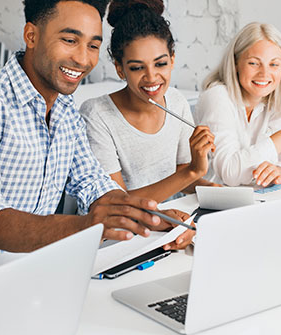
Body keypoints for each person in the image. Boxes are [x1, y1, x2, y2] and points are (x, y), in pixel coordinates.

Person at [0, 0, 191, 266]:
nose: (82, 59)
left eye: (93, 45)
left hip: (37, 272)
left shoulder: (65, 108)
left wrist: (151, 218)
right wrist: (86, 226)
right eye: (70, 40)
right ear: (31, 36)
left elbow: (93, 184)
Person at [79, 0, 217, 204]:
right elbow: (116, 203)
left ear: (172, 59)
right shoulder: (96, 115)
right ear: (119, 68)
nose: (151, 77)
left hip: (171, 220)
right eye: (137, 67)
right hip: (122, 230)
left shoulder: (176, 101)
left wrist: (215, 189)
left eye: (160, 63)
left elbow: (179, 177)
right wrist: (193, 171)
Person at [194, 22, 281, 187]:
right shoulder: (217, 96)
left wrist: (280, 169)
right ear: (235, 63)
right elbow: (230, 173)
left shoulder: (272, 98)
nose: (264, 73)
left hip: (253, 196)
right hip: (210, 200)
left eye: (274, 64)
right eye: (254, 63)